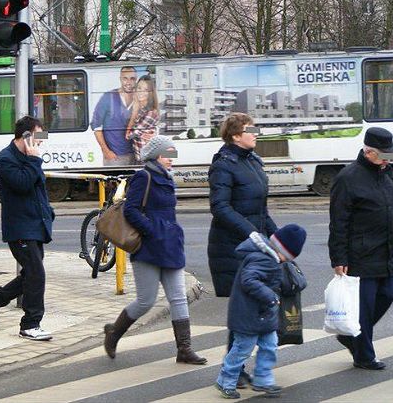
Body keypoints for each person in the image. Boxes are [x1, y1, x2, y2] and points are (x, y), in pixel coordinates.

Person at [103, 136, 206, 364]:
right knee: (146, 300)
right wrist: (152, 230)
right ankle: (114, 333)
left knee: (178, 298)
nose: (171, 159)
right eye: (167, 154)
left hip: (170, 246)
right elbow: (130, 210)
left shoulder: (168, 178)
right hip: (149, 247)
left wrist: (169, 233)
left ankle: (184, 349)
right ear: (156, 156)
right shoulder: (144, 177)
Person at [207, 112, 278, 387]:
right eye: (251, 129)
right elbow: (220, 208)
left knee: (248, 309)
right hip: (233, 247)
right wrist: (252, 233)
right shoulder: (224, 164)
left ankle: (236, 368)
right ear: (236, 135)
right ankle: (233, 371)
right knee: (244, 309)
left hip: (255, 245)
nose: (256, 133)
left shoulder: (253, 161)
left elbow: (261, 209)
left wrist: (277, 238)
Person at [0, 116, 55, 341]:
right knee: (36, 274)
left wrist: (49, 213)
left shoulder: (30, 157)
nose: (40, 144)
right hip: (20, 226)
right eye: (37, 138)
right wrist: (34, 161)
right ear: (25, 137)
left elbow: (39, 190)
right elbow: (23, 184)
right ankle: (30, 324)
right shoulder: (6, 159)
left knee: (31, 275)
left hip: (37, 223)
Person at [216, 224, 306, 399]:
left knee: (270, 345)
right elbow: (248, 280)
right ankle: (225, 380)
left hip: (264, 315)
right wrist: (270, 297)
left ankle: (263, 379)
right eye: (286, 257)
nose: (285, 261)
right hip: (248, 315)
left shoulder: (269, 257)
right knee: (242, 349)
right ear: (282, 251)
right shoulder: (263, 259)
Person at [329, 127, 393, 370]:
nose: (389, 159)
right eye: (385, 155)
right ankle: (364, 355)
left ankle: (349, 335)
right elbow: (338, 222)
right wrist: (339, 257)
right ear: (369, 152)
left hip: (387, 251)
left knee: (387, 294)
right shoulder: (348, 178)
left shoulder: (388, 172)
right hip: (361, 254)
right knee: (363, 308)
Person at [90, 66, 137, 166]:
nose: (128, 82)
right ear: (120, 79)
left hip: (136, 156)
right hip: (115, 158)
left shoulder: (139, 98)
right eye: (125, 78)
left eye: (132, 78)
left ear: (136, 80)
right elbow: (96, 126)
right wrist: (106, 151)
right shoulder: (108, 97)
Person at [125, 75, 159, 162]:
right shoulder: (141, 109)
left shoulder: (151, 112)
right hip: (139, 157)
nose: (141, 92)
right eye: (139, 88)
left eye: (146, 90)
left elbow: (129, 135)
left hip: (147, 160)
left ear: (151, 93)